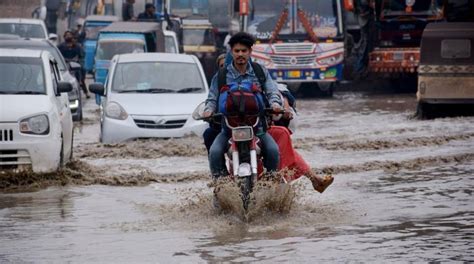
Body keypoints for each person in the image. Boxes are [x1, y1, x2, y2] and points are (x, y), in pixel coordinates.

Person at [202, 32, 283, 179]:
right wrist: (208, 111)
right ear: (231, 52)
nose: (240, 54)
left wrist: (275, 105)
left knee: (273, 151)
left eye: (244, 51)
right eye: (237, 51)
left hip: (257, 128)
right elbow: (212, 98)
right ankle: (221, 185)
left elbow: (272, 91)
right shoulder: (221, 75)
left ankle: (271, 184)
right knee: (214, 152)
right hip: (228, 129)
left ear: (250, 52)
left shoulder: (260, 71)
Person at [57, 30, 90, 98]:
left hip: (75, 65)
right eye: (67, 35)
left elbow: (82, 55)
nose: (68, 36)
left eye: (69, 35)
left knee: (81, 72)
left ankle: (85, 91)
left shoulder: (77, 46)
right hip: (64, 65)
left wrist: (78, 61)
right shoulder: (60, 46)